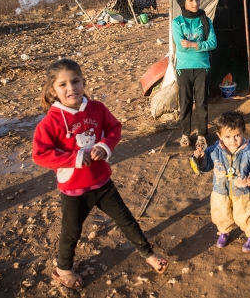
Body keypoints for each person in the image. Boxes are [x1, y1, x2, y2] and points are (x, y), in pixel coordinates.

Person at [32, 59, 168, 289]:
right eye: (63, 84)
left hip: (102, 182)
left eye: (75, 81)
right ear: (52, 91)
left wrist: (105, 145)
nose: (71, 88)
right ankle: (63, 269)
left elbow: (114, 128)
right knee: (71, 231)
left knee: (126, 220)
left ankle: (149, 254)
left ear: (83, 82)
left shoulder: (97, 108)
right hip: (73, 189)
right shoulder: (50, 122)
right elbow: (40, 154)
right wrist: (73, 158)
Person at [192, 111, 250, 252]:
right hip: (220, 191)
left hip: (244, 192)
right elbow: (205, 166)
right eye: (227, 137)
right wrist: (200, 159)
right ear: (219, 135)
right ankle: (224, 231)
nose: (232, 141)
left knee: (248, 213)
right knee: (221, 213)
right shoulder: (214, 150)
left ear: (243, 132)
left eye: (237, 135)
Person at [172, 0, 217, 149]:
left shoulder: (206, 20)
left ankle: (201, 135)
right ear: (183, 2)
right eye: (191, 0)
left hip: (202, 66)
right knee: (185, 101)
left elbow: (213, 43)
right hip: (183, 67)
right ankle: (185, 134)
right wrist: (200, 45)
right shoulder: (177, 22)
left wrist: (192, 43)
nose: (195, 3)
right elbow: (180, 46)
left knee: (202, 102)